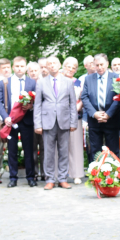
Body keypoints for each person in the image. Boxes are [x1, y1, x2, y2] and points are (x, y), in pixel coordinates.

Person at [33, 55, 77, 189]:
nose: (52, 65)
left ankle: (63, 178)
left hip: (64, 121)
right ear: (46, 66)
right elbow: (37, 105)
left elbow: (73, 104)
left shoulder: (68, 82)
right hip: (47, 122)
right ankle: (50, 179)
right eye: (49, 63)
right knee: (48, 152)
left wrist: (73, 122)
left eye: (54, 63)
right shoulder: (41, 82)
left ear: (59, 65)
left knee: (64, 151)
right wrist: (38, 124)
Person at [0, 56, 38, 187]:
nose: (19, 69)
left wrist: (31, 106)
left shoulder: (32, 82)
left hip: (27, 120)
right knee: (12, 150)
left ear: (26, 68)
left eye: (22, 66)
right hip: (11, 120)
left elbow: (39, 100)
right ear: (13, 67)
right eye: (17, 66)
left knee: (29, 149)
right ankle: (13, 177)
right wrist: (5, 117)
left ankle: (30, 177)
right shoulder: (5, 82)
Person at [81, 53, 120, 159]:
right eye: (97, 65)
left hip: (111, 120)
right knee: (95, 152)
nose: (99, 67)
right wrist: (94, 114)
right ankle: (97, 175)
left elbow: (119, 97)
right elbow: (84, 97)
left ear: (107, 64)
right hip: (94, 121)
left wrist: (108, 114)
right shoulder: (89, 79)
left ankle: (115, 175)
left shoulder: (115, 78)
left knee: (113, 151)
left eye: (102, 64)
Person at [61, 56, 86, 183]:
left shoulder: (78, 82)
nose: (70, 69)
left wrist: (77, 107)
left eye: (73, 67)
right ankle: (60, 174)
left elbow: (83, 98)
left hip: (76, 116)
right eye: (68, 66)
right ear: (63, 67)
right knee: (59, 146)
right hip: (59, 117)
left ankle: (76, 174)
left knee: (75, 145)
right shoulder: (57, 80)